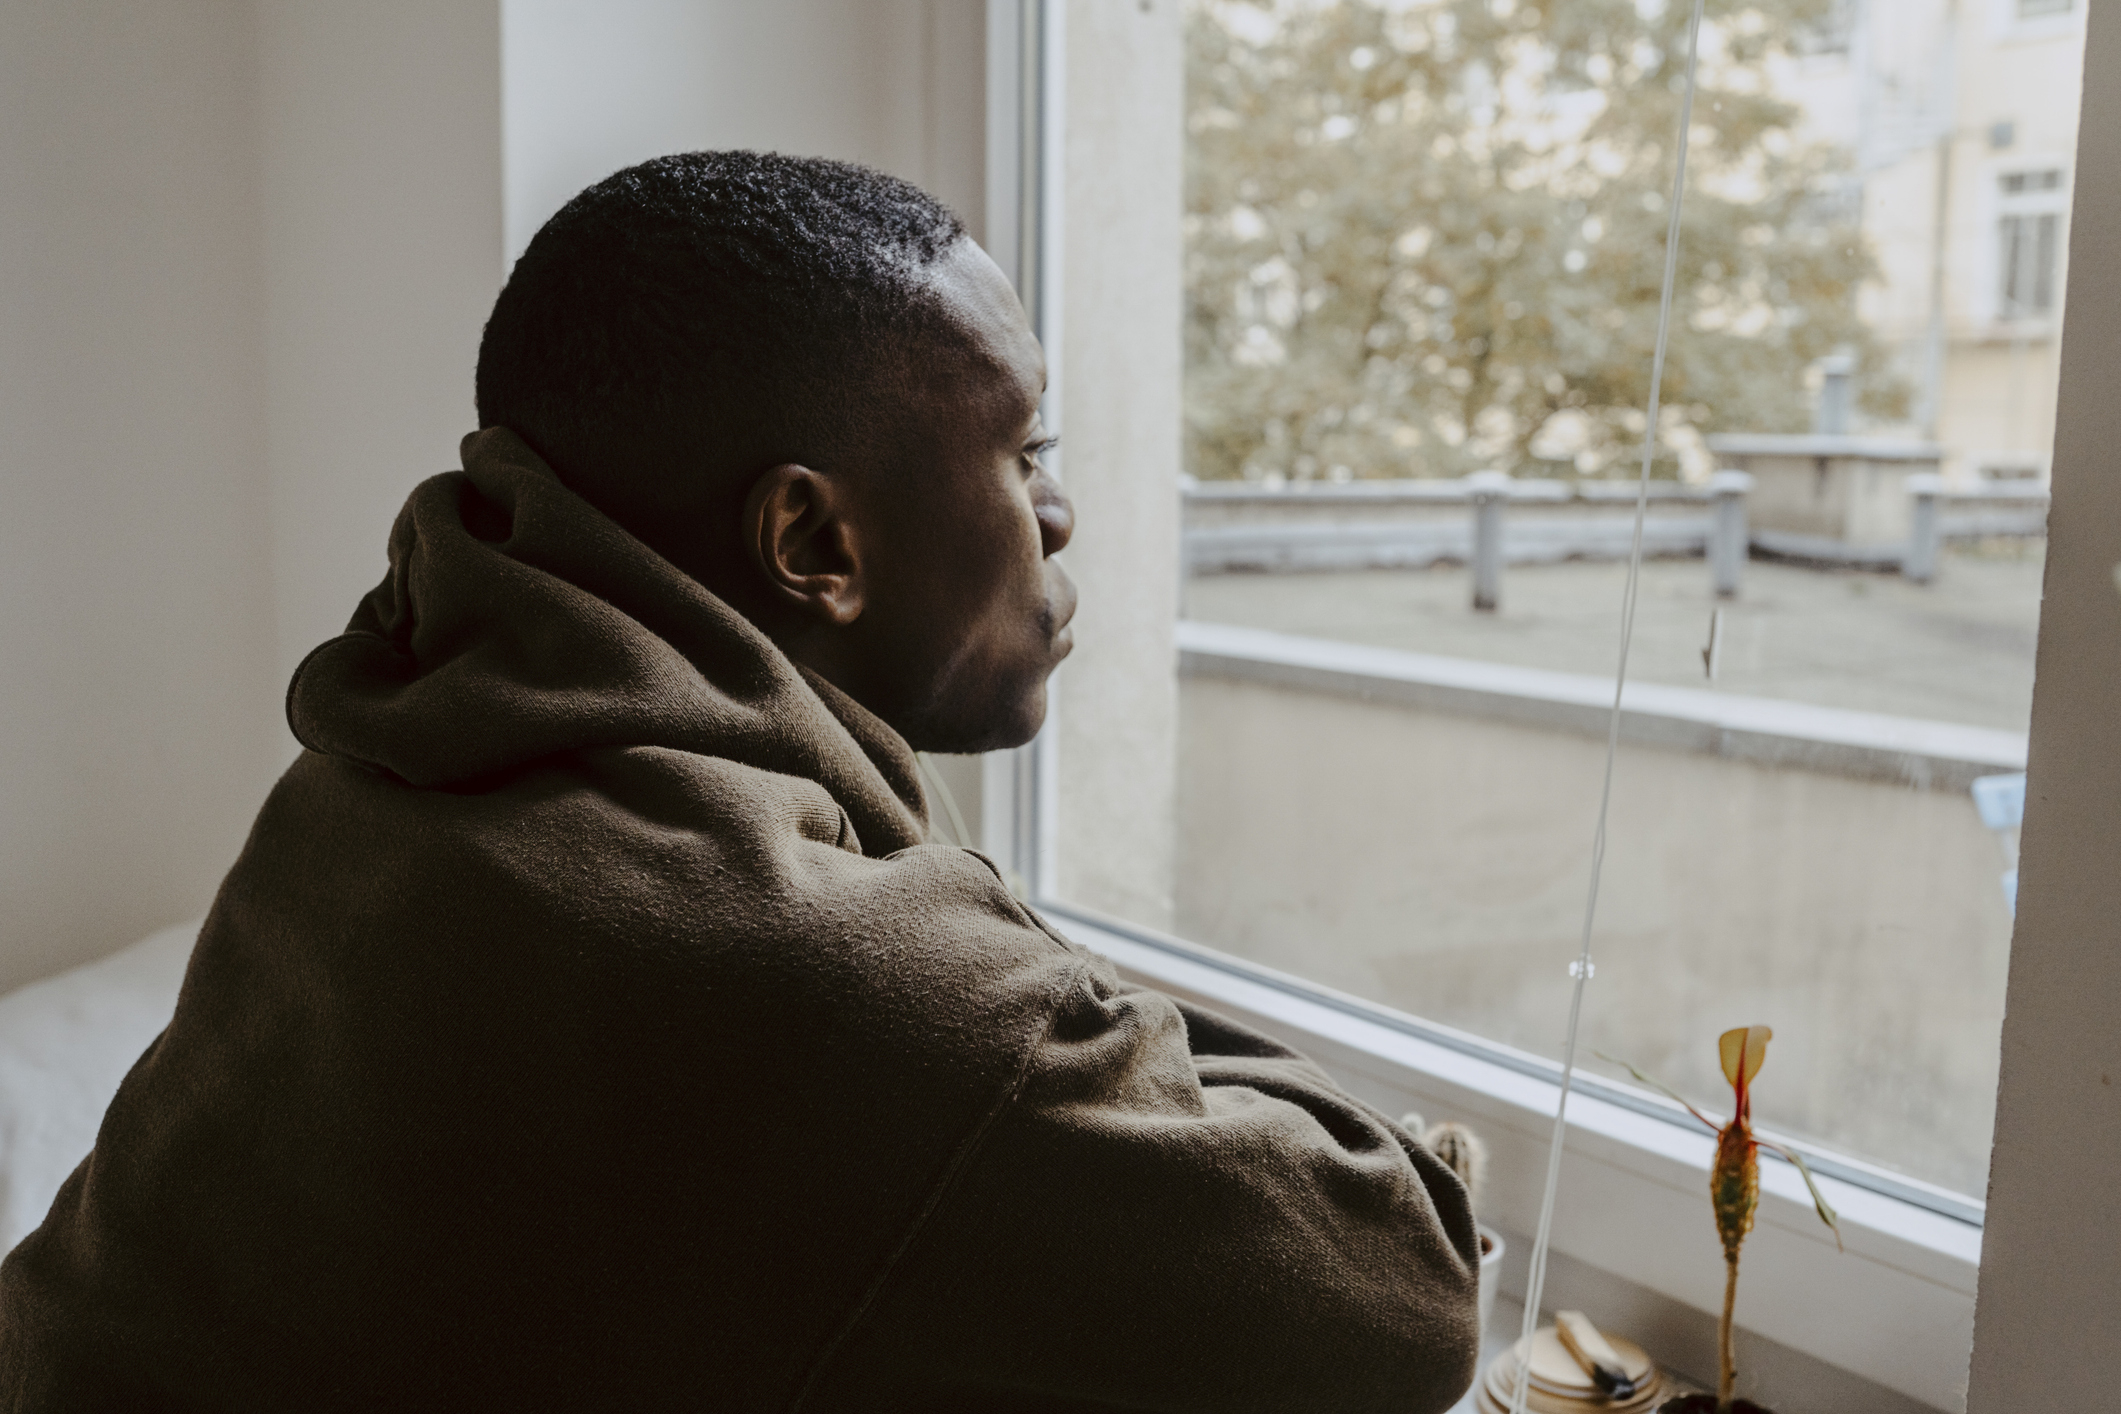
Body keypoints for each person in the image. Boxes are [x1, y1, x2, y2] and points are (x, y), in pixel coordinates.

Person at [0, 152, 1479, 1413]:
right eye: (1024, 449)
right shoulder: (797, 957)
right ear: (811, 545)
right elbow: (1406, 1282)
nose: (1059, 513)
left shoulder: (383, 775)